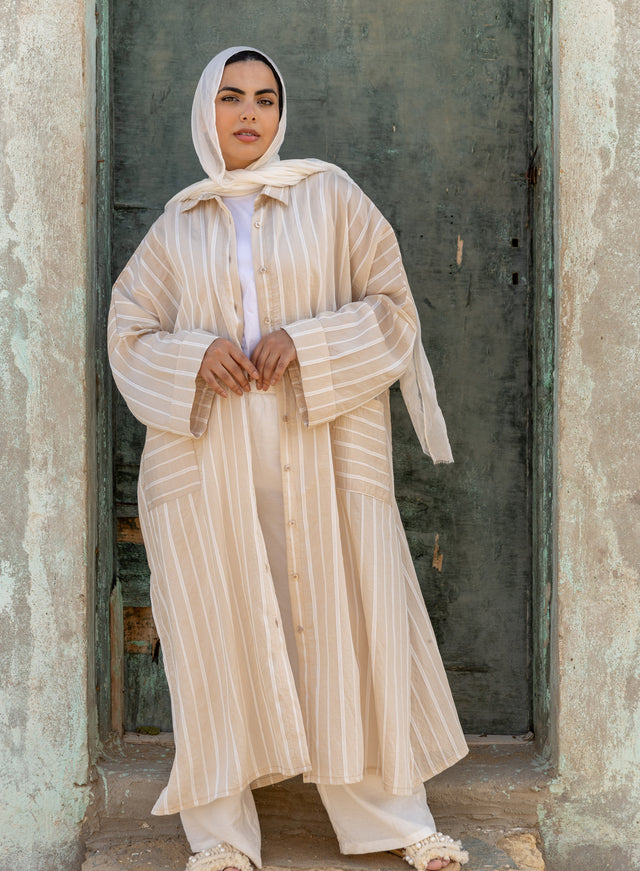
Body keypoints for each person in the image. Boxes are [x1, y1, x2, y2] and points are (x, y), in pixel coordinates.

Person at [108, 46, 470, 871]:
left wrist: (304, 342)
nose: (249, 113)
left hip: (325, 451)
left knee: (349, 620)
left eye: (264, 99)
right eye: (231, 98)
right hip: (210, 469)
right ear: (207, 113)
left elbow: (393, 310)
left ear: (281, 112)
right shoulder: (178, 223)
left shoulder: (333, 197)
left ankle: (397, 818)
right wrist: (197, 355)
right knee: (214, 634)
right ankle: (222, 839)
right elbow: (127, 336)